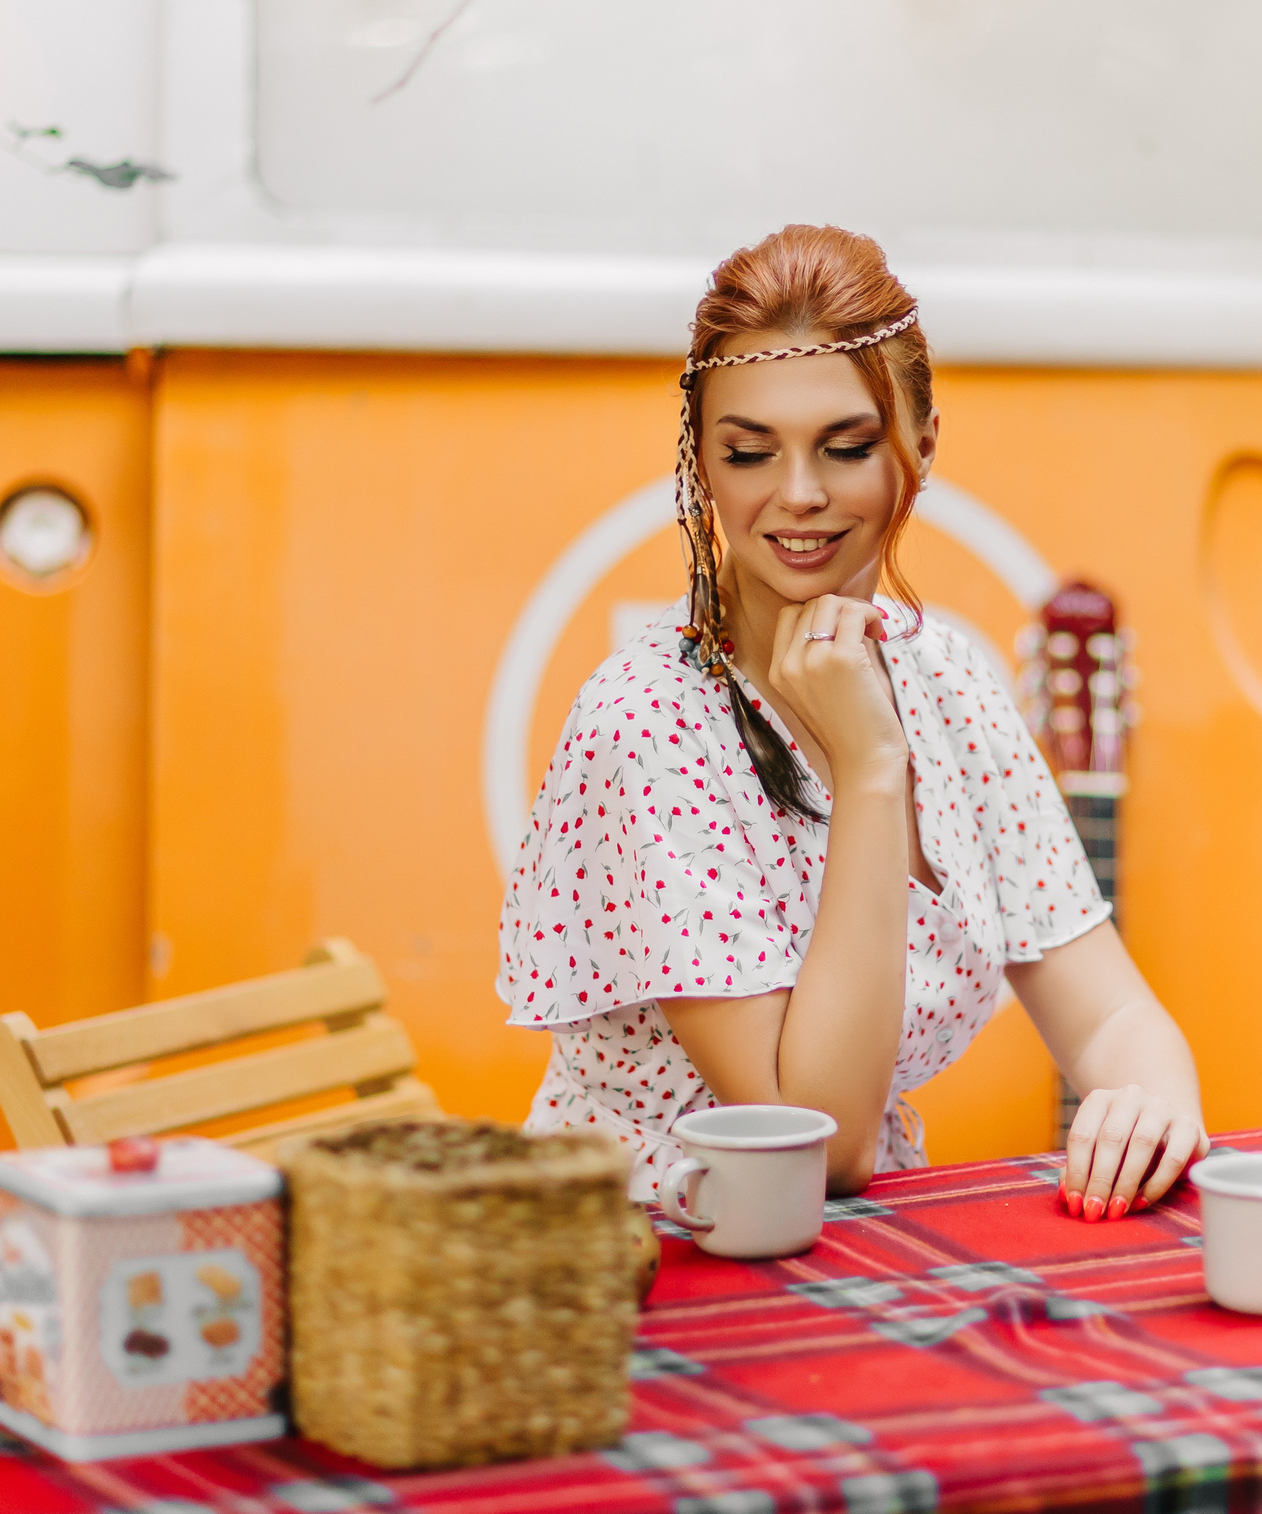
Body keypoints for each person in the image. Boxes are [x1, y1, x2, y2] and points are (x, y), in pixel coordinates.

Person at [497, 225, 1205, 1221]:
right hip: (650, 1265)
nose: (798, 495)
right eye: (749, 452)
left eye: (846, 446)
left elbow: (1115, 1012)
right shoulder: (647, 720)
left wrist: (1150, 1105)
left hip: (865, 1253)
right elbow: (812, 1139)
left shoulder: (947, 678)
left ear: (920, 444)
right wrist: (870, 768)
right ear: (701, 464)